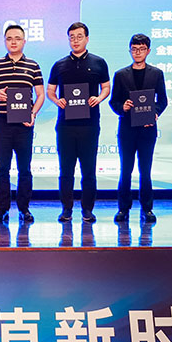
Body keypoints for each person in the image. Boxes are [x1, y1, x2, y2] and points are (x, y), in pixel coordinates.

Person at [46, 22, 110, 223]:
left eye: (79, 36)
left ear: (87, 39)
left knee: (89, 170)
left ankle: (87, 210)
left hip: (89, 125)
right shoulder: (59, 64)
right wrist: (57, 100)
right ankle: (66, 209)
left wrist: (99, 98)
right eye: (72, 37)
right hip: (65, 125)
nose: (75, 40)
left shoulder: (99, 62)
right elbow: (50, 90)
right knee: (66, 170)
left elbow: (106, 87)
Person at [0, 24, 45, 223]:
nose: (13, 42)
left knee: (25, 168)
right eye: (9, 38)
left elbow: (41, 94)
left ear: (24, 41)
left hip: (24, 124)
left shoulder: (33, 66)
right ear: (5, 41)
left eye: (17, 38)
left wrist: (33, 113)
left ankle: (24, 209)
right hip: (2, 123)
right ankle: (3, 209)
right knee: (2, 168)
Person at [109, 33, 168, 223]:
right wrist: (122, 107)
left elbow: (163, 100)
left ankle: (147, 209)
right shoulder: (121, 75)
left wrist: (155, 113)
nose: (138, 52)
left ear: (148, 51)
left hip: (148, 129)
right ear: (129, 50)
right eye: (134, 49)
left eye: (142, 49)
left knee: (145, 170)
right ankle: (123, 209)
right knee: (125, 170)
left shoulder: (156, 73)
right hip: (127, 129)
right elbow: (113, 101)